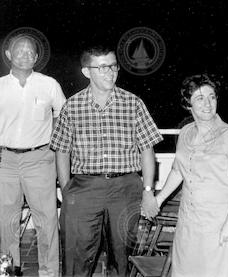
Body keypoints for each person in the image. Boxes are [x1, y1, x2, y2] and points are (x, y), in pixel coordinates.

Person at [49, 45, 162, 276]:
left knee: (121, 255)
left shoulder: (133, 104)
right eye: (102, 68)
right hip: (84, 188)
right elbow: (61, 150)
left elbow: (147, 149)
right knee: (76, 255)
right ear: (86, 72)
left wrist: (148, 191)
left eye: (113, 66)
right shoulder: (72, 106)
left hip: (125, 187)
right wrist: (67, 188)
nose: (110, 72)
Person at [154, 74, 228, 277]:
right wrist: (159, 199)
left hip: (219, 222)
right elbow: (178, 170)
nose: (208, 104)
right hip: (189, 221)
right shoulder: (186, 132)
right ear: (188, 104)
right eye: (200, 98)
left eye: (212, 97)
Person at [0, 34, 66, 277]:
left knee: (46, 222)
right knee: (6, 223)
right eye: (20, 51)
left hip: (40, 159)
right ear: (8, 55)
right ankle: (9, 272)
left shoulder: (49, 84)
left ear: (37, 57)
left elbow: (62, 114)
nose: (25, 55)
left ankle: (49, 273)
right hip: (4, 161)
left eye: (31, 52)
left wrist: (53, 147)